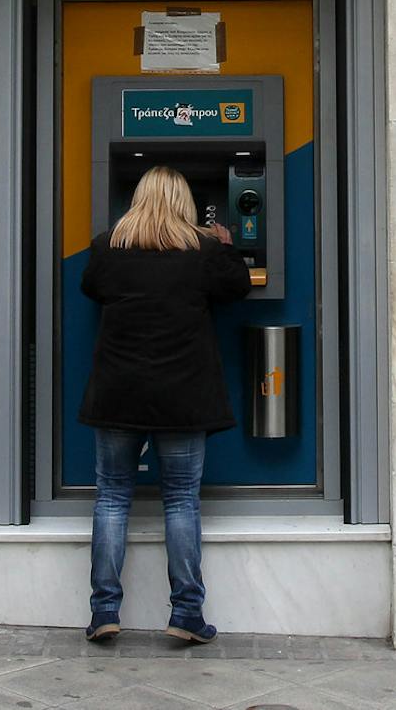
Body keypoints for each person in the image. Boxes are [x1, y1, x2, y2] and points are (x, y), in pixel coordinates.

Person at [79, 165, 253, 646]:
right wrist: (225, 243)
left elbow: (91, 288)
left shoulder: (107, 247)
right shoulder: (203, 251)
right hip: (182, 395)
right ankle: (187, 613)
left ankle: (104, 611)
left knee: (112, 497)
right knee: (180, 500)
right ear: (184, 203)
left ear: (137, 199)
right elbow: (238, 286)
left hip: (118, 392)